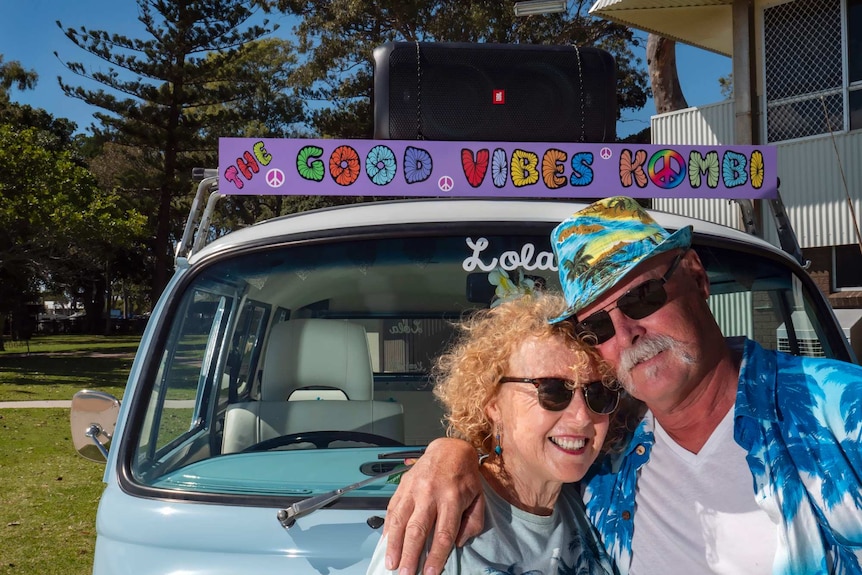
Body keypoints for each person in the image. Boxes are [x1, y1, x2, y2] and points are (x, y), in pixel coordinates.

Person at [382, 196, 862, 575]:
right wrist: (451, 452)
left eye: (642, 297)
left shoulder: (842, 415)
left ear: (696, 277)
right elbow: (526, 447)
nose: (628, 333)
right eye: (599, 328)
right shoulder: (608, 455)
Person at [367, 293, 623, 575]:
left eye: (598, 393)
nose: (582, 416)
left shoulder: (590, 498)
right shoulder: (440, 518)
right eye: (552, 390)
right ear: (492, 403)